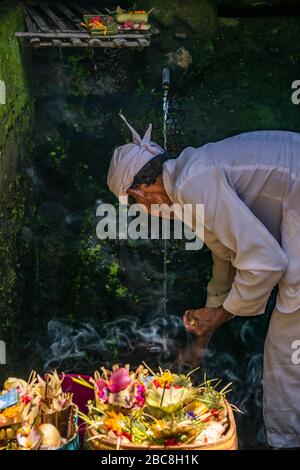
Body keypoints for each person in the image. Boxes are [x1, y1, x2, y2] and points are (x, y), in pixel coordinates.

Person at [107, 114, 300, 448]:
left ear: (141, 191)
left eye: (134, 204)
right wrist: (200, 342)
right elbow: (225, 256)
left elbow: (267, 263)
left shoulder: (191, 183)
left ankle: (286, 444)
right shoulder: (188, 179)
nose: (142, 211)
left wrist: (220, 314)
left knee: (286, 350)